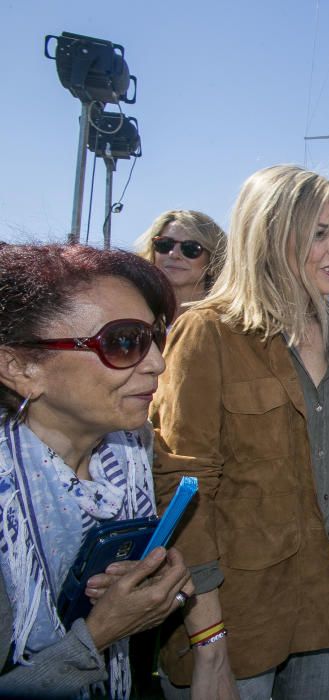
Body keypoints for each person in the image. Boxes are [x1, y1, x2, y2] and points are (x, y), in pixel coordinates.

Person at [152, 165, 329, 700]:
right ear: (271, 235)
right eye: (319, 233)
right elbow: (181, 490)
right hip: (237, 618)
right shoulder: (207, 333)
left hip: (327, 605)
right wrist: (208, 643)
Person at [0, 244, 193, 697]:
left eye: (154, 336)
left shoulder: (130, 457)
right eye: (123, 342)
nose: (158, 363)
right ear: (20, 367)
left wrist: (160, 584)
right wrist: (97, 637)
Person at [135, 210, 227, 312]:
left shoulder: (225, 322)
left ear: (213, 263)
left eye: (190, 248)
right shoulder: (133, 312)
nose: (173, 254)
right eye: (164, 244)